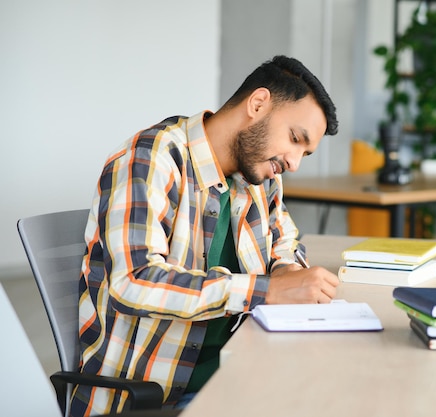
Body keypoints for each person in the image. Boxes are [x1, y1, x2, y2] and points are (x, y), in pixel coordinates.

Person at [71, 55, 340, 416]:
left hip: (237, 376)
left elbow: (285, 241)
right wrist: (266, 290)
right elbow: (133, 282)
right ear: (257, 104)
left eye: (304, 152)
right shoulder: (151, 158)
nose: (294, 163)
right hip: (150, 399)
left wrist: (286, 270)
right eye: (295, 139)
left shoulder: (260, 177)